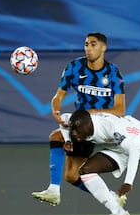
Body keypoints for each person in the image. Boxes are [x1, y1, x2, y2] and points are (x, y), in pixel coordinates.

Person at [32, 32, 126, 206]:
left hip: (104, 124)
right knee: (72, 175)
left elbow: (120, 109)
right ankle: (112, 197)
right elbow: (58, 96)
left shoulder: (113, 72)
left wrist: (90, 112)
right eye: (86, 44)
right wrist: (56, 110)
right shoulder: (75, 67)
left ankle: (53, 189)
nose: (88, 48)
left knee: (56, 136)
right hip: (82, 125)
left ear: (103, 47)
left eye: (93, 44)